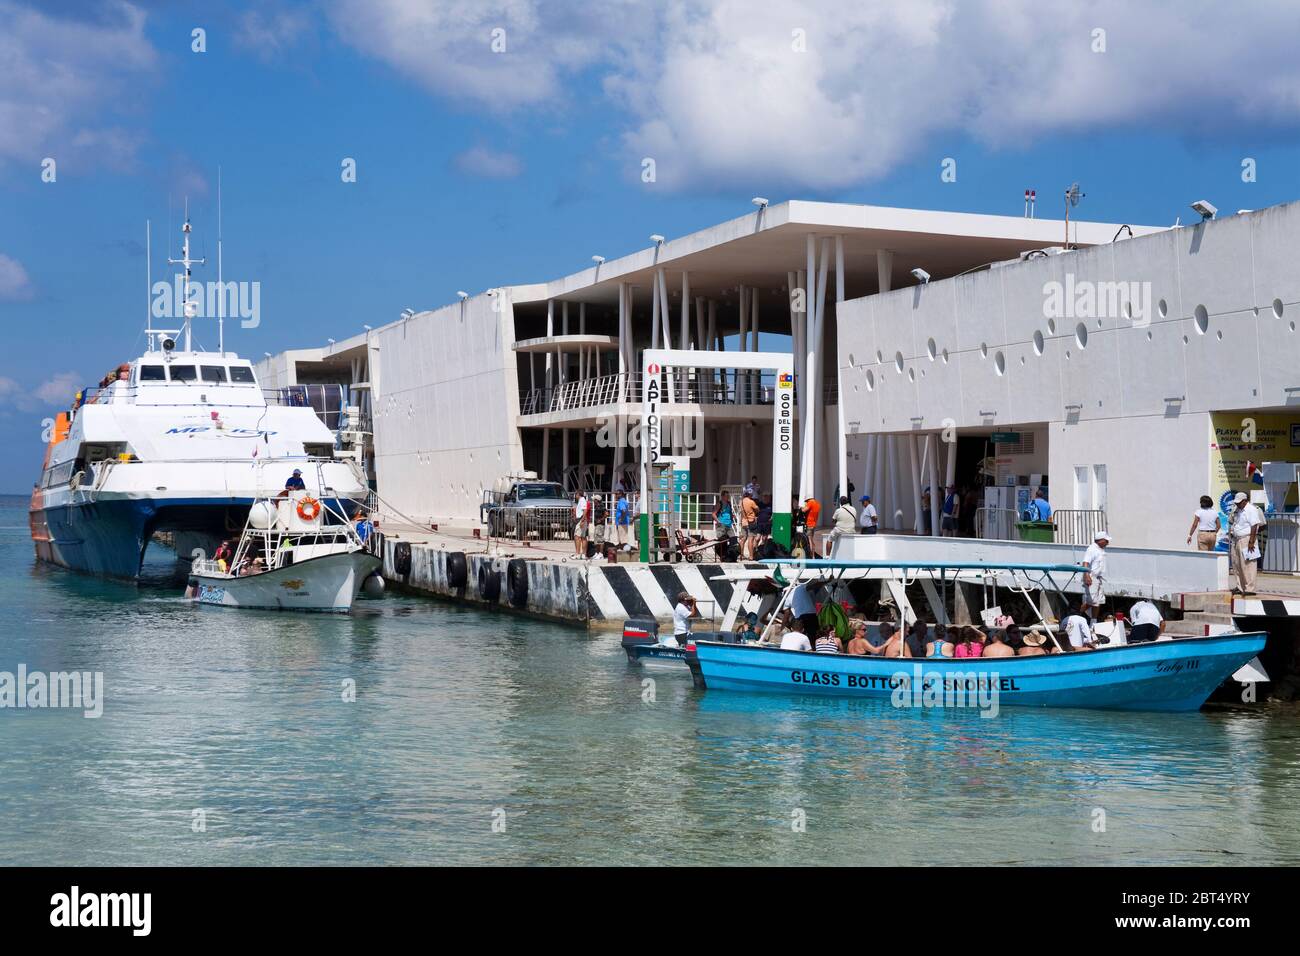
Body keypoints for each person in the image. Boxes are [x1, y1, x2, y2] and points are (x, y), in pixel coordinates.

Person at [1228, 492, 1264, 595]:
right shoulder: (1237, 509)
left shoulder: (1251, 509)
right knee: (1237, 564)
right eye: (1237, 503)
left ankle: (1250, 589)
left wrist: (1251, 542)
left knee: (1248, 565)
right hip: (1236, 539)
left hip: (1247, 539)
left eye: (1239, 502)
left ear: (1245, 501)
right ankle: (1240, 587)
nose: (1238, 504)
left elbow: (1254, 525)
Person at [1081, 531, 1110, 619]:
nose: (1108, 543)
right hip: (1091, 577)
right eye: (1106, 541)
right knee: (1092, 601)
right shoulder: (1092, 549)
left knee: (1098, 601)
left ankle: (1093, 623)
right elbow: (1085, 562)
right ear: (1100, 540)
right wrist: (1086, 575)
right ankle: (1077, 614)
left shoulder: (1100, 550)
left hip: (1099, 578)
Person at [739, 491, 759, 559]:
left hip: (744, 522)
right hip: (751, 522)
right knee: (751, 539)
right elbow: (757, 509)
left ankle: (741, 555)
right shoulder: (751, 502)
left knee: (743, 539)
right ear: (749, 495)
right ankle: (751, 556)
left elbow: (741, 512)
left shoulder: (741, 502)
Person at [573, 491, 590, 558]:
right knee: (583, 537)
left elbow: (585, 510)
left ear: (578, 494)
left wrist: (582, 520)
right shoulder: (581, 500)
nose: (575, 496)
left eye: (575, 494)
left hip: (581, 520)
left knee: (577, 537)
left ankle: (577, 554)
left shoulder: (582, 500)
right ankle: (583, 554)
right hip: (581, 519)